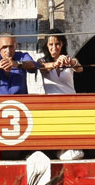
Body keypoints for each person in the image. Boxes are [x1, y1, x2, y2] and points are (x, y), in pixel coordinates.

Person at [37, 29, 84, 161]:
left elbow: (80, 68)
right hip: (51, 104)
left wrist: (71, 62)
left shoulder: (69, 59)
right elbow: (43, 68)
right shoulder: (42, 61)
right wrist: (55, 63)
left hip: (70, 103)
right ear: (46, 45)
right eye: (51, 44)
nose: (54, 47)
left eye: (57, 44)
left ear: (62, 44)